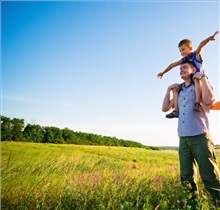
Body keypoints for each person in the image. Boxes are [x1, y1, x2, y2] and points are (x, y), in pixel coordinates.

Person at [162, 60, 220, 207]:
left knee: (210, 175)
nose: (181, 69)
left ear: (193, 69)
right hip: (183, 137)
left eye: (184, 67)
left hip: (200, 136)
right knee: (186, 177)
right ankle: (192, 205)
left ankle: (218, 203)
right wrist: (169, 89)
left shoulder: (200, 86)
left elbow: (209, 99)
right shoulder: (179, 90)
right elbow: (164, 108)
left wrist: (203, 77)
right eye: (180, 68)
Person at [158, 31, 219, 118]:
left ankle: (197, 103)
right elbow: (172, 64)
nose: (181, 52)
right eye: (180, 51)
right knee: (176, 89)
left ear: (190, 48)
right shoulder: (184, 59)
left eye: (183, 49)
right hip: (190, 81)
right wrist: (163, 72)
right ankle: (176, 111)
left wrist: (210, 38)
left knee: (195, 78)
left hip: (200, 79)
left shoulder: (195, 54)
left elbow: (201, 45)